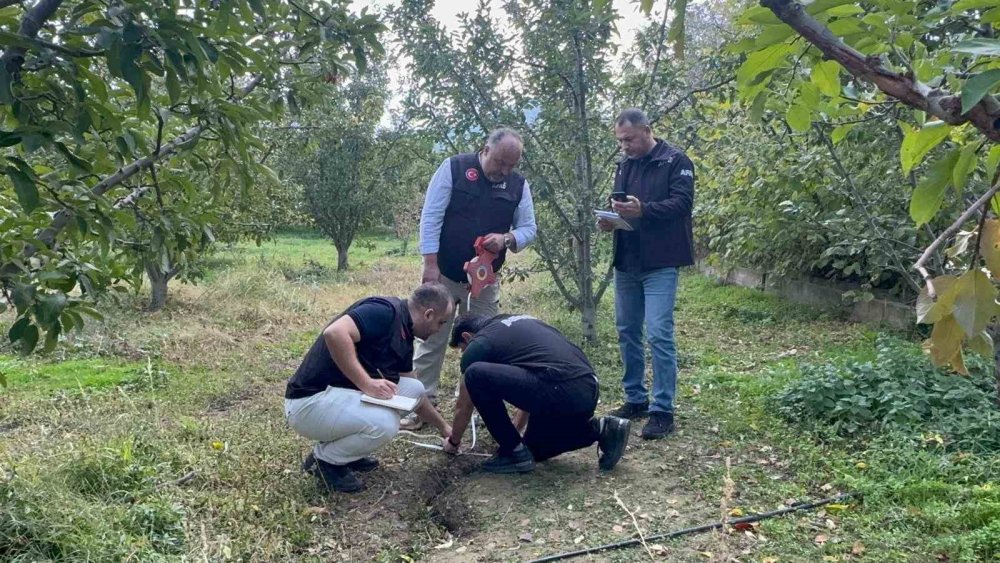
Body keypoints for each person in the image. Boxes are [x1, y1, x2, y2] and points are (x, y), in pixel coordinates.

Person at [401, 127, 538, 430]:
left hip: (486, 280)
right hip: (445, 274)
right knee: (431, 338)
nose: (504, 171)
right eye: (500, 162)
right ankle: (421, 407)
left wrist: (507, 238)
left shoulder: (518, 185)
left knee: (484, 342)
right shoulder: (454, 168)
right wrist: (430, 263)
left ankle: (475, 403)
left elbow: (529, 228)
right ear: (485, 150)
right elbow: (432, 215)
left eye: (511, 165)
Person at [284, 282, 455, 493]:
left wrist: (445, 428)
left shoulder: (405, 333)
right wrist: (366, 383)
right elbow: (335, 333)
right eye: (441, 322)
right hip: (309, 402)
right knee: (386, 424)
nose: (440, 330)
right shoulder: (383, 311)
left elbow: (417, 397)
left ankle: (347, 453)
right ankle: (324, 461)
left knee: (415, 388)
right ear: (428, 314)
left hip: (336, 397)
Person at [597, 108, 695, 440]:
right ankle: (635, 398)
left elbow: (682, 204)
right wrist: (611, 219)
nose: (624, 146)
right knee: (627, 331)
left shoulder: (676, 161)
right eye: (620, 140)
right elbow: (621, 204)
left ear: (647, 131)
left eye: (629, 139)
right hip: (627, 261)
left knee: (658, 334)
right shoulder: (624, 165)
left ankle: (662, 409)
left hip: (661, 262)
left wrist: (645, 210)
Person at [442, 313, 631, 474]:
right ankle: (602, 429)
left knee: (474, 374)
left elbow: (464, 405)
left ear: (467, 337)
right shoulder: (517, 323)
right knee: (533, 451)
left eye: (461, 349)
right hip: (585, 388)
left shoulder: (480, 343)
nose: (464, 354)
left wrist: (454, 441)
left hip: (559, 388)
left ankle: (512, 453)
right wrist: (515, 431)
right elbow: (530, 378)